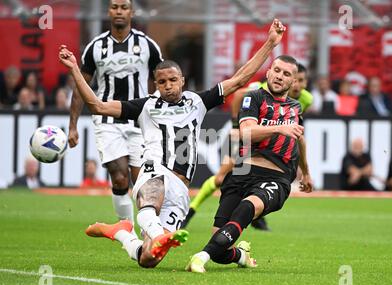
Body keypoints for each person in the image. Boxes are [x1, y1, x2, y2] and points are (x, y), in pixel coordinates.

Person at [59, 18, 287, 268]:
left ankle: (122, 232)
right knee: (151, 198)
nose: (168, 86)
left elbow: (240, 79)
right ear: (155, 85)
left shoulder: (197, 102)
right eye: (162, 82)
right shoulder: (145, 106)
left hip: (181, 187)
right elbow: (97, 106)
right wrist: (74, 69)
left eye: (172, 80)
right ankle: (158, 234)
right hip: (155, 169)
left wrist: (270, 43)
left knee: (148, 259)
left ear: (182, 81)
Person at [186, 54, 313, 273]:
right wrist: (279, 128)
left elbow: (299, 137)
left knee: (247, 208)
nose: (280, 76)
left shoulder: (295, 107)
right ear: (269, 72)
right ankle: (240, 255)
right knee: (221, 245)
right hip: (242, 172)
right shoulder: (253, 98)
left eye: (287, 74)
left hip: (276, 178)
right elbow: (246, 132)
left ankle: (200, 257)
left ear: (293, 82)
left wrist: (306, 172)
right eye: (276, 70)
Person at [67, 0, 162, 230]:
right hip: (107, 121)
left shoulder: (147, 45)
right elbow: (82, 86)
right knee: (119, 178)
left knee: (142, 181)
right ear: (109, 11)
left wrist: (158, 112)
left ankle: (151, 233)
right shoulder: (95, 47)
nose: (119, 11)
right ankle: (127, 231)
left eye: (124, 7)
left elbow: (163, 78)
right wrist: (73, 126)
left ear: (131, 12)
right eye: (114, 7)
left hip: (139, 120)